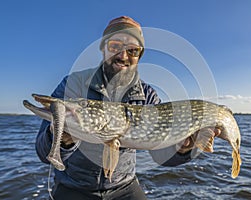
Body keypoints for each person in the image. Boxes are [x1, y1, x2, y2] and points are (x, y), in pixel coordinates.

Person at [36, 16, 220, 200]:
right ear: (103, 49)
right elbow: (43, 154)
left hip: (124, 186)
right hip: (74, 187)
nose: (123, 56)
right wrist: (62, 139)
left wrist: (182, 149)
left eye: (132, 50)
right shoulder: (72, 84)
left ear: (138, 56)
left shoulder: (147, 96)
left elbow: (160, 153)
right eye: (115, 46)